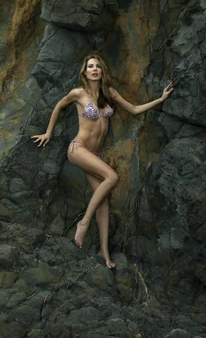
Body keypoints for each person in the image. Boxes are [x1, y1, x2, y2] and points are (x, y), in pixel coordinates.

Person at [32, 51, 174, 269]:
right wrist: (48, 132)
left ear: (102, 70)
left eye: (97, 66)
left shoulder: (109, 94)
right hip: (78, 149)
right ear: (85, 72)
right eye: (90, 66)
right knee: (112, 176)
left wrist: (160, 99)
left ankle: (104, 253)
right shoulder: (78, 93)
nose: (94, 69)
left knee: (104, 202)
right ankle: (84, 222)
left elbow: (134, 110)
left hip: (94, 155)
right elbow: (59, 105)